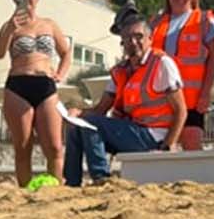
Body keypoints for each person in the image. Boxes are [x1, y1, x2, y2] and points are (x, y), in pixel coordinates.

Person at [63, 11, 182, 186]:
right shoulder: (120, 71)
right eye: (128, 38)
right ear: (122, 42)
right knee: (77, 126)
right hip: (133, 131)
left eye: (138, 36)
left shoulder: (161, 64)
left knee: (91, 123)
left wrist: (168, 145)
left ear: (150, 38)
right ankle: (71, 182)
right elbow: (100, 110)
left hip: (154, 136)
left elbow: (181, 110)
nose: (133, 42)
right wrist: (77, 113)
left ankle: (101, 178)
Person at [0, 0, 69, 189]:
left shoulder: (49, 24)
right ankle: (25, 190)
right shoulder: (10, 26)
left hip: (45, 84)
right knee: (23, 146)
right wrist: (10, 29)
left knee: (54, 146)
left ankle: (56, 188)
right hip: (19, 85)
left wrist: (61, 73)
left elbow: (66, 52)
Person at [148, 0, 214, 151]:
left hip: (191, 100)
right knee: (160, 150)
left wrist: (206, 92)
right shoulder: (155, 23)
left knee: (192, 145)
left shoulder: (204, 19)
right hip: (159, 102)